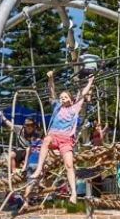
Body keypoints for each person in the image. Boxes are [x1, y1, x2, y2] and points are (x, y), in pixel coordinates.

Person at [30, 71, 95, 205]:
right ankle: (39, 169)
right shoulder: (57, 107)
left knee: (69, 165)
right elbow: (52, 91)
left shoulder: (74, 108)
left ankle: (74, 194)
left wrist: (90, 82)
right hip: (54, 136)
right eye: (61, 97)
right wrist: (51, 79)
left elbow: (82, 94)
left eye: (65, 97)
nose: (62, 99)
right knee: (46, 140)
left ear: (71, 99)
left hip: (66, 140)